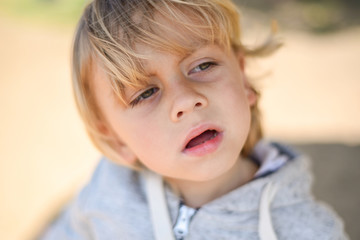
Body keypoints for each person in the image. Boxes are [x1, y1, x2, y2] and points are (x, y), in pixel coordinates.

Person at [40, 0, 348, 239]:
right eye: (146, 93)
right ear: (116, 139)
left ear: (241, 76)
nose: (186, 100)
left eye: (202, 66)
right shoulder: (107, 192)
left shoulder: (307, 231)